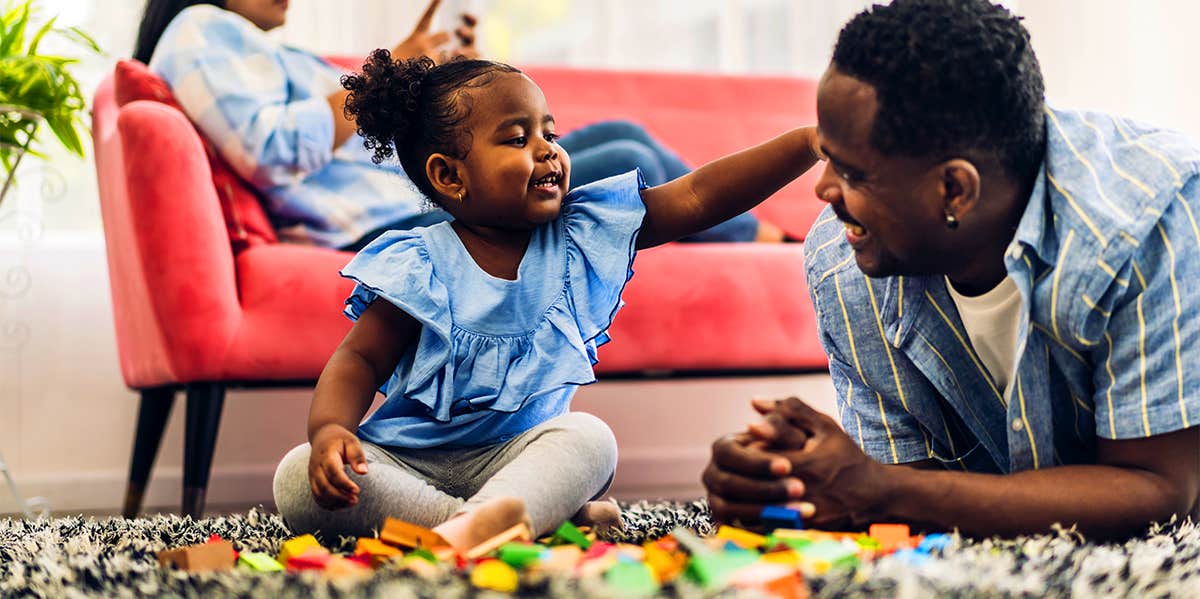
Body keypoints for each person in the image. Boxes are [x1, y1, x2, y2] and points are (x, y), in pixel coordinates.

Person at [269, 52, 821, 546]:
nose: (550, 152)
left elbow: (698, 196)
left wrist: (804, 143)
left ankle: (484, 522)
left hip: (520, 457)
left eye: (550, 135)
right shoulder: (420, 261)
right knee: (295, 478)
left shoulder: (581, 231)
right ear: (449, 176)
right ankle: (486, 524)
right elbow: (358, 360)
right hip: (407, 461)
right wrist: (331, 432)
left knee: (589, 438)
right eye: (518, 139)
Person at [703, 0, 1200, 541]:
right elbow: (908, 502)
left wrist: (880, 488)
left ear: (954, 190)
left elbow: (1162, 493)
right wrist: (787, 485)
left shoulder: (1148, 222)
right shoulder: (842, 261)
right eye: (826, 155)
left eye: (852, 172)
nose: (822, 190)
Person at [134, 0, 786, 249]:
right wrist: (399, 65)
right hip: (386, 223)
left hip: (413, 194)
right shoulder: (200, 30)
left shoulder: (255, 46)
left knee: (626, 135)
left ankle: (764, 239)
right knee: (624, 154)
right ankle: (770, 244)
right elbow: (269, 149)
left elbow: (362, 133)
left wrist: (432, 75)